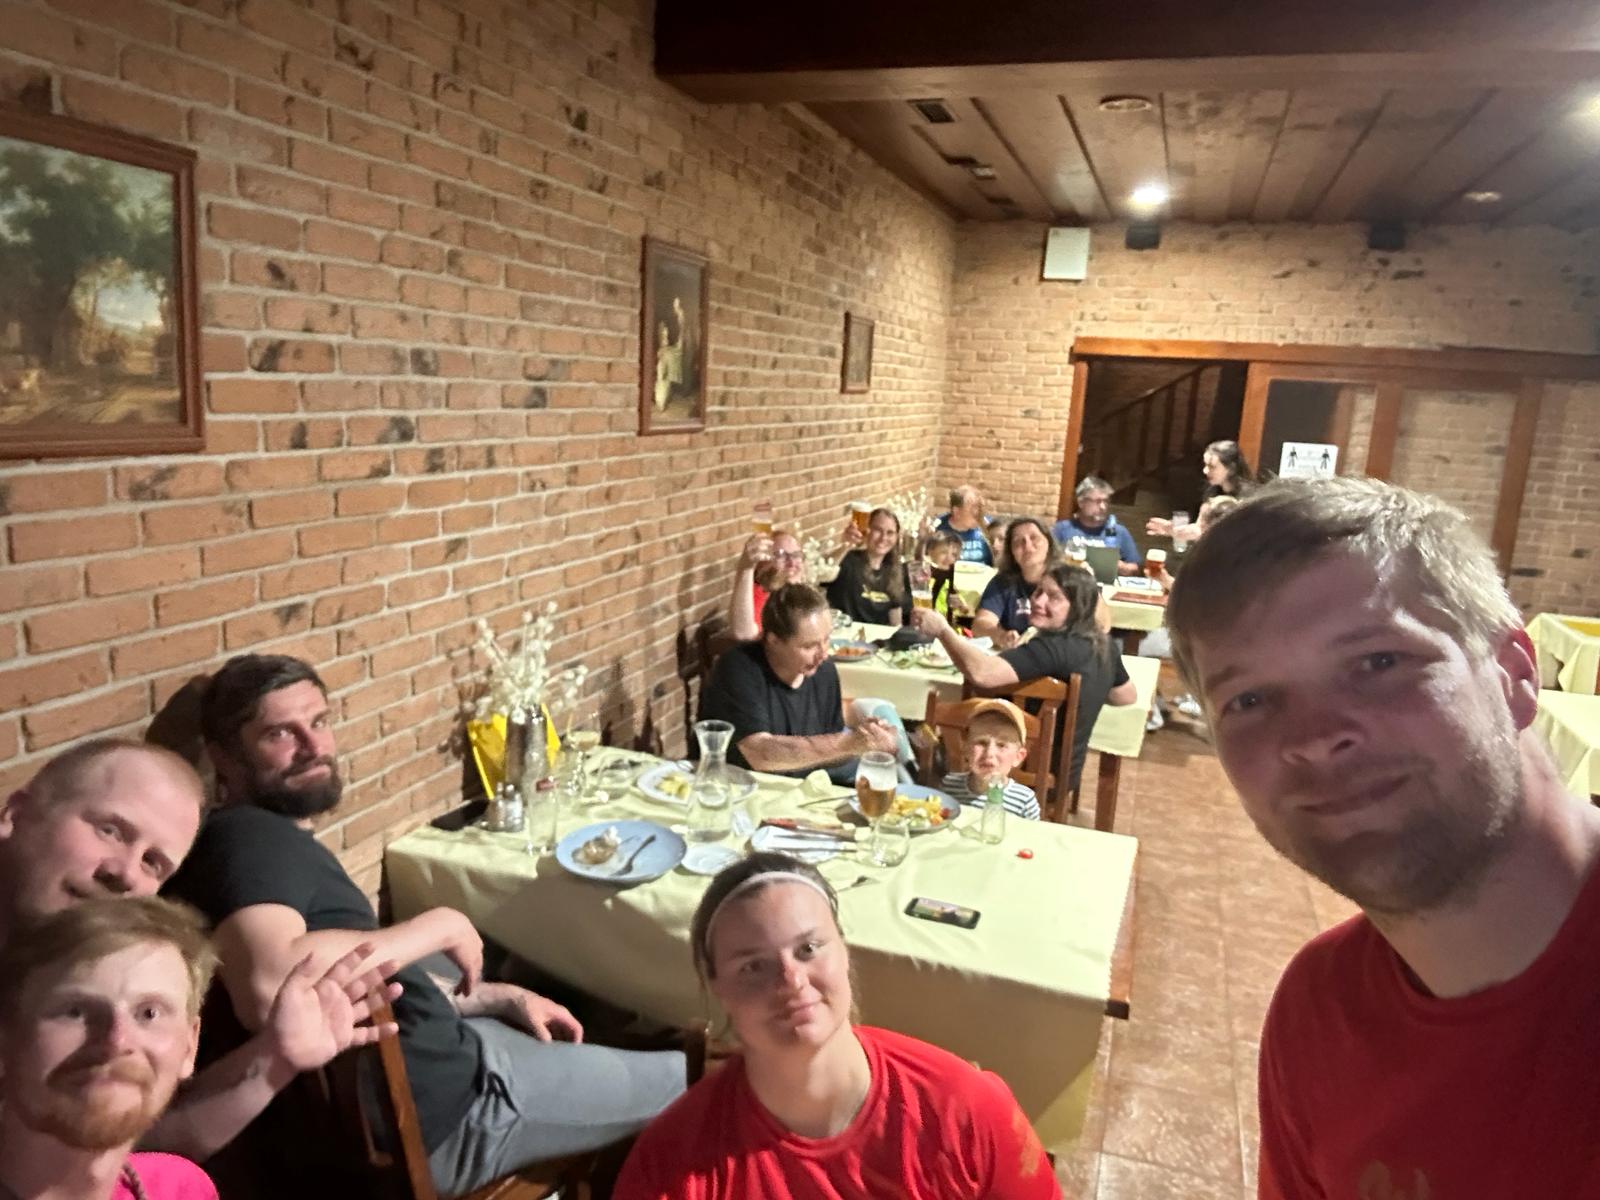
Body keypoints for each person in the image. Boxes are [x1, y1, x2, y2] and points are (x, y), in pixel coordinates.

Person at [1165, 476, 1600, 1199]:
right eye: (1250, 700)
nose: (1314, 738)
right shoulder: (1318, 1015)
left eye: (1377, 662)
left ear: (1515, 675)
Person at [163, 655, 685, 1199]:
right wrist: (439, 925)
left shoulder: (249, 841)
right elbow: (270, 988)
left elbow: (353, 980)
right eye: (279, 734)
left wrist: (491, 996)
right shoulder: (248, 841)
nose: (313, 746)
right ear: (223, 758)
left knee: (528, 976)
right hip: (460, 1110)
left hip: (432, 1067)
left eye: (318, 722)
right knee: (690, 1077)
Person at [0, 738, 400, 1166]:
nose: (125, 873)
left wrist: (275, 1057)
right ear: (16, 813)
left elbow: (128, 1138)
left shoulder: (89, 965)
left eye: (153, 863)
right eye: (110, 830)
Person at [613, 853, 1061, 1199]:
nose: (791, 980)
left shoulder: (964, 1109)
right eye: (753, 966)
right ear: (717, 988)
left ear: (845, 950)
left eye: (808, 948)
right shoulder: (671, 1164)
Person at [0, 896, 220, 1200]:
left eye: (149, 1013)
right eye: (75, 1011)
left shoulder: (180, 1189)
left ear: (189, 1047)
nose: (117, 1041)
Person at [913, 565, 1136, 794]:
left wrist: (943, 631)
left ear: (1078, 607)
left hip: (1016, 775)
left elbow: (982, 674)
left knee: (922, 739)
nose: (1038, 601)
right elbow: (1126, 696)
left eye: (1054, 597)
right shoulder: (1104, 645)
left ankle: (923, 794)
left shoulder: (1052, 648)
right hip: (1065, 776)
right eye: (1038, 591)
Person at [700, 584, 900, 785]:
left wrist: (867, 741)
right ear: (773, 641)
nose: (823, 654)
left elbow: (828, 754)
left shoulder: (824, 671)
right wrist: (848, 743)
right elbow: (760, 753)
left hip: (806, 787)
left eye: (826, 640)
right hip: (742, 787)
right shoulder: (740, 668)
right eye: (809, 646)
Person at [938, 699, 1040, 821]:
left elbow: (1034, 833)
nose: (989, 753)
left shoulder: (1024, 801)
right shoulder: (949, 786)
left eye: (1001, 745)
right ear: (966, 748)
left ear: (1018, 757)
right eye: (981, 742)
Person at [970, 517, 1061, 647]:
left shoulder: (1067, 580)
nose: (1027, 546)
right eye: (1018, 542)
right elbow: (981, 624)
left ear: (1049, 543)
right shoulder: (1003, 582)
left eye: (1034, 538)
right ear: (1011, 552)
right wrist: (1001, 636)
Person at [1147, 440, 1255, 544]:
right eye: (1205, 465)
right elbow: (1200, 528)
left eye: (1212, 467)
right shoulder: (1211, 490)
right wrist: (1173, 530)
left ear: (1231, 468)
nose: (1205, 470)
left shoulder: (1249, 499)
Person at [829, 506, 912, 627]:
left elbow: (896, 622)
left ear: (896, 537)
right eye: (878, 530)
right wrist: (845, 546)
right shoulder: (848, 560)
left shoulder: (895, 570)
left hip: (878, 638)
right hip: (846, 634)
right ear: (867, 530)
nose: (883, 538)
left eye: (890, 533)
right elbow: (822, 572)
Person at [728, 528, 807, 641]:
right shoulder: (760, 595)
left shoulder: (796, 594)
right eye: (781, 555)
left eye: (796, 555)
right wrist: (746, 568)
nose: (792, 563)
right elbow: (744, 634)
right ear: (762, 564)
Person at [1051, 477, 1140, 575]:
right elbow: (1047, 560)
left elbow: (1134, 567)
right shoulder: (1062, 529)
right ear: (1081, 502)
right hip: (1071, 581)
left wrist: (1122, 567)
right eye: (1098, 501)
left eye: (1106, 501)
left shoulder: (1118, 531)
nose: (1103, 507)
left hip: (1105, 583)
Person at [934, 485, 993, 565]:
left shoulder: (987, 525)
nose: (977, 513)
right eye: (972, 508)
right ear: (957, 511)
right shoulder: (938, 527)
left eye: (978, 507)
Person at [921, 529, 970, 623]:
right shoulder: (926, 574)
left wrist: (961, 606)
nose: (949, 558)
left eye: (954, 555)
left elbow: (965, 609)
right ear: (930, 551)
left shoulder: (950, 576)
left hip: (944, 623)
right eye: (943, 552)